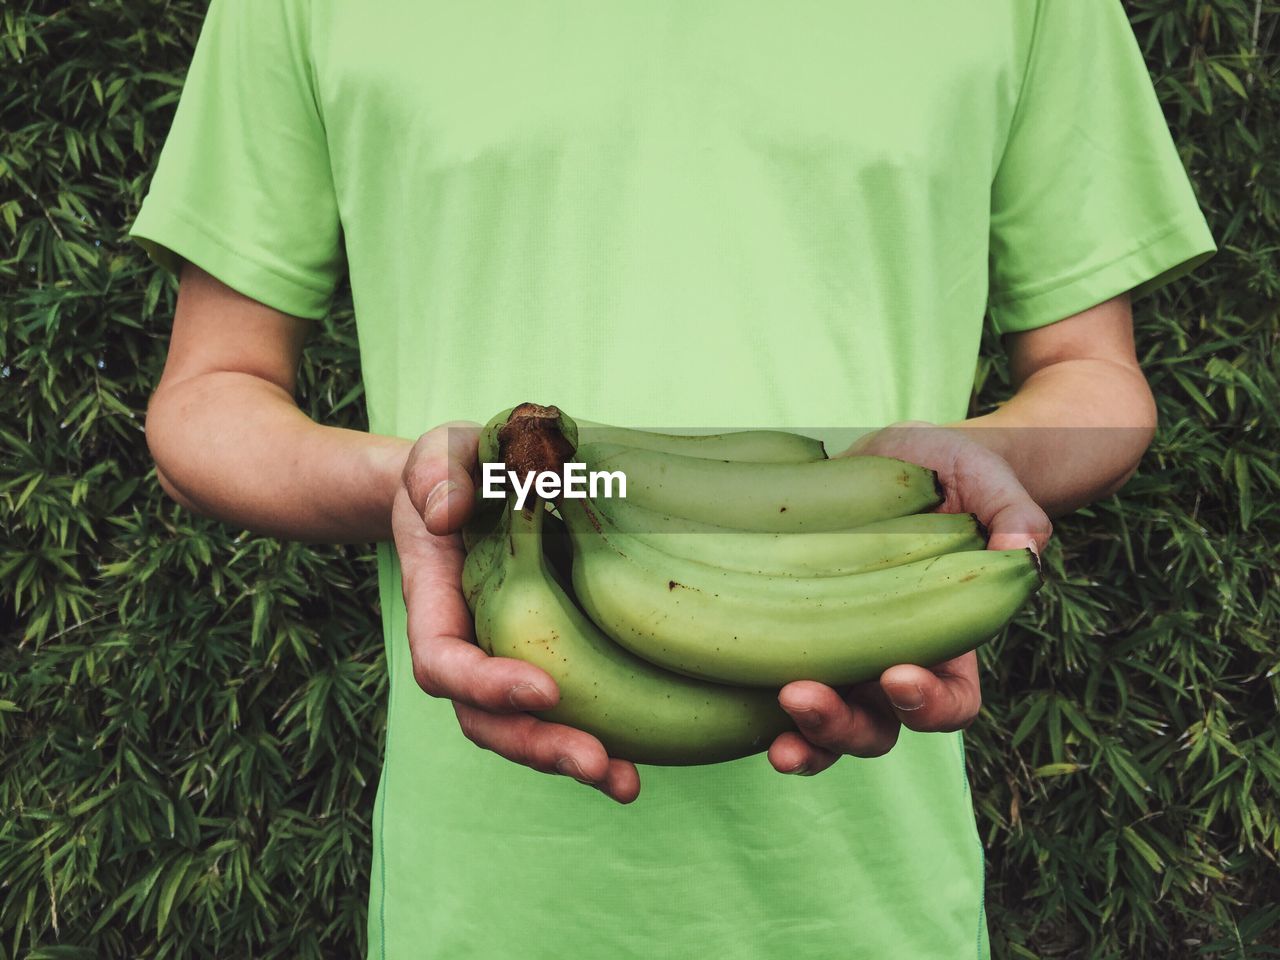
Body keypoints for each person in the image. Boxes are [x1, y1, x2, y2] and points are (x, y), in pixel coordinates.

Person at [130, 0, 1216, 956]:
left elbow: (1095, 382)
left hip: (877, 906)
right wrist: (431, 490)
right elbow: (206, 399)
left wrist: (973, 479)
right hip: (482, 908)